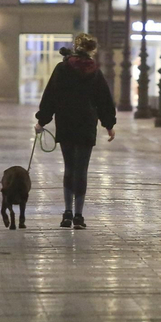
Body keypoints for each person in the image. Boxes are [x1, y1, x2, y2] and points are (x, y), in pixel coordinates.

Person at [35, 32, 115, 229]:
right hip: (87, 123)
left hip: (66, 121)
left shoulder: (62, 69)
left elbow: (51, 96)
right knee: (82, 169)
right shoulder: (95, 71)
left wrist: (42, 121)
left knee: (69, 167)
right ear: (91, 50)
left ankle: (67, 213)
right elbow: (104, 99)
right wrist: (109, 124)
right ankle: (79, 215)